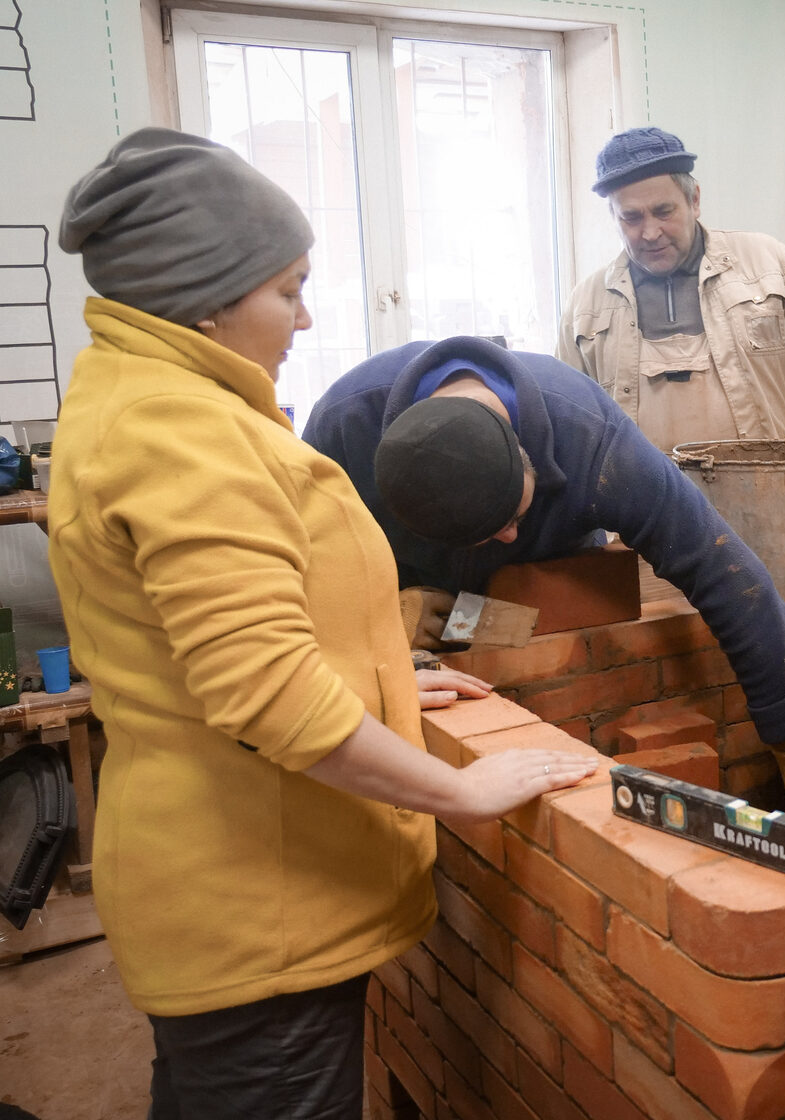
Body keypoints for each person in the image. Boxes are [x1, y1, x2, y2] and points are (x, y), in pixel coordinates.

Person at [48, 128, 596, 1119]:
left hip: (238, 890)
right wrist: (461, 790)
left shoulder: (148, 396)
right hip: (258, 915)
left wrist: (380, 672)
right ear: (203, 296)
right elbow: (265, 690)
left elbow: (222, 641)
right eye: (287, 288)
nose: (306, 316)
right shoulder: (180, 431)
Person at [301, 336, 785, 804]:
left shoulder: (593, 440)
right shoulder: (342, 429)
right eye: (490, 532)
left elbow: (720, 567)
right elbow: (288, 577)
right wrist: (365, 623)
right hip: (410, 599)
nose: (507, 536)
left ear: (524, 449)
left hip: (530, 600)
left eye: (516, 516)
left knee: (528, 631)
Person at [558, 126, 785, 481]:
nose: (650, 232)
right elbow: (566, 418)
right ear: (613, 217)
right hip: (640, 523)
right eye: (631, 217)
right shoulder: (586, 307)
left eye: (663, 211)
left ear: (695, 201)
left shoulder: (769, 266)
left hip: (771, 505)